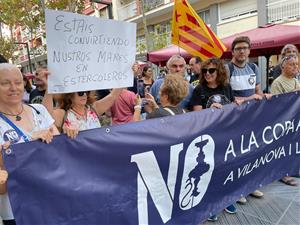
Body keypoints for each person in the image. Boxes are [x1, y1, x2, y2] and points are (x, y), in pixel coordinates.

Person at [0, 63, 59, 225]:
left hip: (51, 198)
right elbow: (2, 189)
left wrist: (71, 132)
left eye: (18, 82)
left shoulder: (39, 110)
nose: (13, 88)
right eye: (5, 83)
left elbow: (60, 154)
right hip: (18, 211)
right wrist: (27, 148)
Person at [190, 58, 237, 219]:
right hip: (207, 137)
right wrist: (209, 110)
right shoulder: (198, 90)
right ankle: (211, 203)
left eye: (211, 71)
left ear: (219, 72)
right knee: (209, 169)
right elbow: (196, 116)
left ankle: (225, 199)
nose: (207, 74)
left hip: (225, 133)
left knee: (225, 166)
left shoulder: (227, 87)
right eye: (204, 71)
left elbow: (231, 108)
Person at [227, 36, 267, 203]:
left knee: (250, 151)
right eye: (238, 48)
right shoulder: (227, 69)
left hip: (251, 118)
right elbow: (227, 97)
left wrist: (250, 98)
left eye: (245, 48)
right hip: (233, 120)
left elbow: (258, 93)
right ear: (233, 51)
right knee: (236, 154)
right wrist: (246, 98)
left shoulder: (253, 67)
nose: (242, 51)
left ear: (249, 51)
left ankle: (250, 185)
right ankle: (237, 189)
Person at [42, 70, 122, 138]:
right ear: (70, 95)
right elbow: (45, 115)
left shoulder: (94, 109)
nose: (84, 95)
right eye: (80, 92)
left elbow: (113, 96)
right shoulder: (63, 114)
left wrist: (127, 75)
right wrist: (49, 87)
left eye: (86, 92)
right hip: (75, 155)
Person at [270, 55, 300, 186]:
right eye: (292, 64)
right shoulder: (278, 82)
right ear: (283, 67)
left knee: (294, 147)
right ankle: (283, 173)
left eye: (297, 64)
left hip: (295, 120)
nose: (296, 67)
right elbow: (278, 104)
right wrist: (295, 92)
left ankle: (293, 169)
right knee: (283, 148)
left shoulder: (295, 81)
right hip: (284, 121)